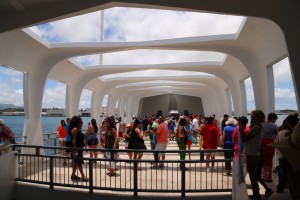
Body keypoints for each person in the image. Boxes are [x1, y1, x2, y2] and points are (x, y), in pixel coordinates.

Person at [242, 110, 273, 200]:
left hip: (252, 154)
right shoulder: (257, 127)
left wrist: (241, 128)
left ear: (256, 117)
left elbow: (245, 138)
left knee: (253, 176)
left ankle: (257, 195)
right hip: (253, 153)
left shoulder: (256, 128)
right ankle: (257, 194)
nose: (250, 118)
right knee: (254, 175)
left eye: (252, 116)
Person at [271, 119, 300, 200]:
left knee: (284, 172)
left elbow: (276, 142)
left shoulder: (282, 132)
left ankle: (283, 188)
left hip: (282, 156)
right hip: (289, 157)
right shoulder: (292, 133)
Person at [69, 115, 88, 182]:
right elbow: (73, 141)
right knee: (79, 162)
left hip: (80, 149)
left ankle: (73, 175)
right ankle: (83, 176)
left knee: (76, 163)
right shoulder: (74, 129)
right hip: (77, 150)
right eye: (81, 121)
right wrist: (75, 151)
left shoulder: (78, 129)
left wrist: (84, 145)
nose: (82, 122)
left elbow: (80, 139)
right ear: (77, 122)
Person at [261, 112, 278, 182]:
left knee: (264, 159)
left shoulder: (262, 124)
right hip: (271, 142)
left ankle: (265, 176)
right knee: (270, 159)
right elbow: (276, 135)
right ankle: (270, 176)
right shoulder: (274, 125)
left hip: (262, 142)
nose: (275, 121)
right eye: (275, 119)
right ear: (273, 118)